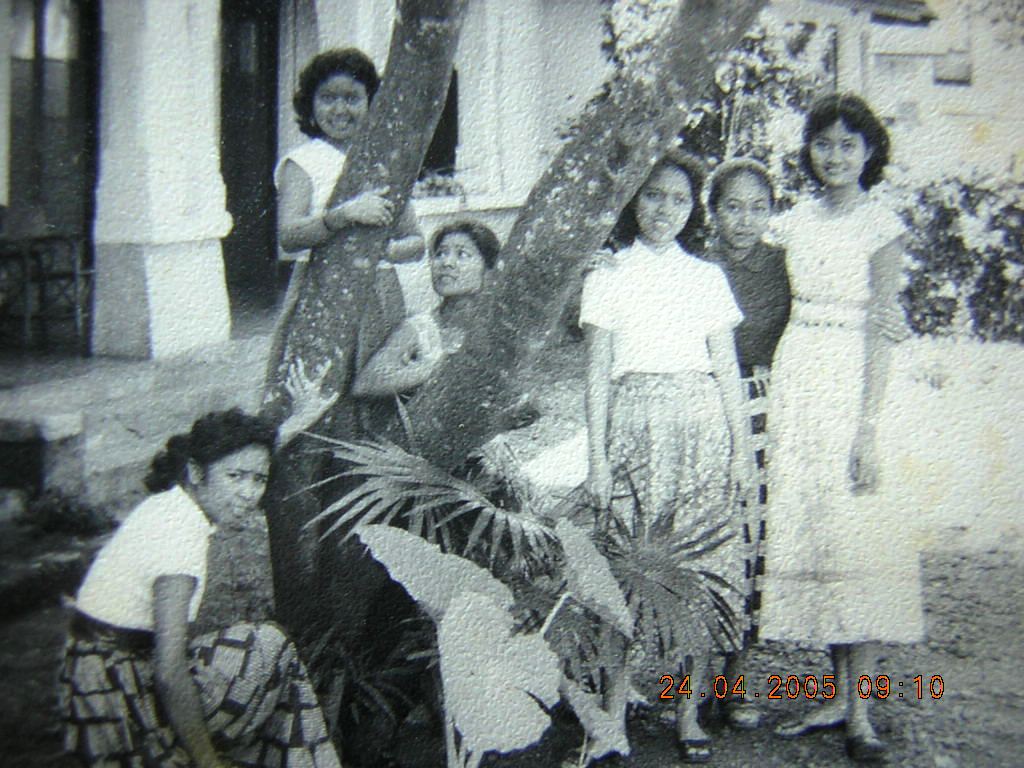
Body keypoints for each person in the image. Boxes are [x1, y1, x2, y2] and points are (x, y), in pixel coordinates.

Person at [59, 366, 342, 768]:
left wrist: (299, 417)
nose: (249, 493)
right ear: (196, 473)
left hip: (96, 668)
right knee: (273, 651)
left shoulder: (174, 502)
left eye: (258, 480)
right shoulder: (179, 539)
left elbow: (243, 460)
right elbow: (170, 671)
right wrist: (207, 762)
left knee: (264, 643)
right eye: (236, 478)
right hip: (114, 691)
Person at [758, 93, 925, 762]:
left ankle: (861, 712)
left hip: (856, 378)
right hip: (801, 373)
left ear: (869, 152)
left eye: (847, 144)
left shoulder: (882, 225)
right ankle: (833, 694)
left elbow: (883, 326)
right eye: (823, 143)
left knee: (859, 533)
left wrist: (869, 427)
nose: (834, 155)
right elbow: (756, 294)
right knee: (821, 532)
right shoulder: (791, 223)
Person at [580, 149, 755, 764]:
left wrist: (740, 452)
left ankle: (687, 710)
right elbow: (598, 373)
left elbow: (728, 372)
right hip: (634, 422)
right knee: (628, 568)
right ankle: (612, 714)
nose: (664, 209)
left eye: (678, 198)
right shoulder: (607, 272)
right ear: (633, 199)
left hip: (701, 425)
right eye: (652, 194)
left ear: (693, 209)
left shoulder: (706, 276)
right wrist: (598, 459)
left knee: (697, 567)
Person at [704, 158, 791, 730]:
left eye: (758, 206)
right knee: (706, 532)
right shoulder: (692, 263)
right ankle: (690, 678)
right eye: (732, 206)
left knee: (751, 537)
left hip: (762, 399)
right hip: (702, 398)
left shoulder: (786, 264)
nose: (744, 218)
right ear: (712, 211)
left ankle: (736, 680)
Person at [350, 219, 501, 402]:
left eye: (462, 254)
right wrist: (433, 369)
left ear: (488, 267)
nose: (446, 263)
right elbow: (365, 383)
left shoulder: (499, 325)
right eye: (440, 254)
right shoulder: (420, 327)